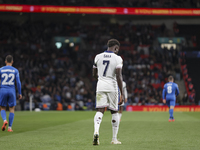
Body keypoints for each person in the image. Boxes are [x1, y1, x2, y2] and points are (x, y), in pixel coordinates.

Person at [92, 39, 124, 145]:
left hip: (100, 85)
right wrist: (122, 93)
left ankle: (96, 132)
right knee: (114, 111)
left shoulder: (98, 56)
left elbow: (93, 74)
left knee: (100, 110)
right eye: (117, 49)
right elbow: (119, 76)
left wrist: (101, 79)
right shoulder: (118, 58)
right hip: (112, 87)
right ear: (115, 48)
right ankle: (114, 139)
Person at [0, 55, 22, 132]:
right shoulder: (15, 70)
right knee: (12, 109)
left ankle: (4, 120)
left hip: (3, 89)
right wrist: (20, 93)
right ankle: (9, 128)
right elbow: (18, 82)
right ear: (12, 62)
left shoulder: (1, 69)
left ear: (5, 61)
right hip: (12, 90)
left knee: (2, 107)